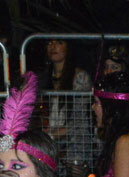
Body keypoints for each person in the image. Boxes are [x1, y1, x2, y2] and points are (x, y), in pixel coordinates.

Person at [37, 37, 95, 167]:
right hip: (50, 141)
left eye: (59, 42)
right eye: (49, 42)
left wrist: (54, 134)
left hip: (74, 142)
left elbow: (81, 119)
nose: (53, 46)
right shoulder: (44, 78)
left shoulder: (80, 77)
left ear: (68, 47)